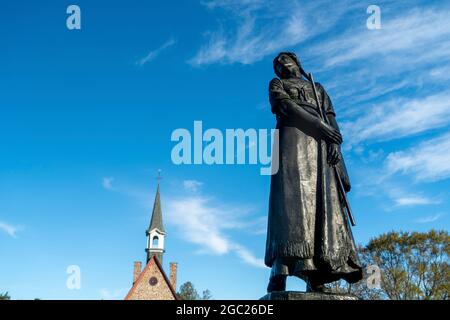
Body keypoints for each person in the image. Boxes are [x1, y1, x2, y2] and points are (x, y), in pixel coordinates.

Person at [265, 52, 363, 293]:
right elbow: (285, 106)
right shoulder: (277, 85)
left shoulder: (317, 88)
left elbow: (330, 117)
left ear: (297, 63)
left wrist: (334, 142)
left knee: (321, 204)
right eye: (277, 65)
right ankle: (281, 268)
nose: (281, 65)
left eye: (285, 60)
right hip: (292, 142)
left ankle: (316, 271)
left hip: (320, 147)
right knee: (290, 206)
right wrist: (320, 126)